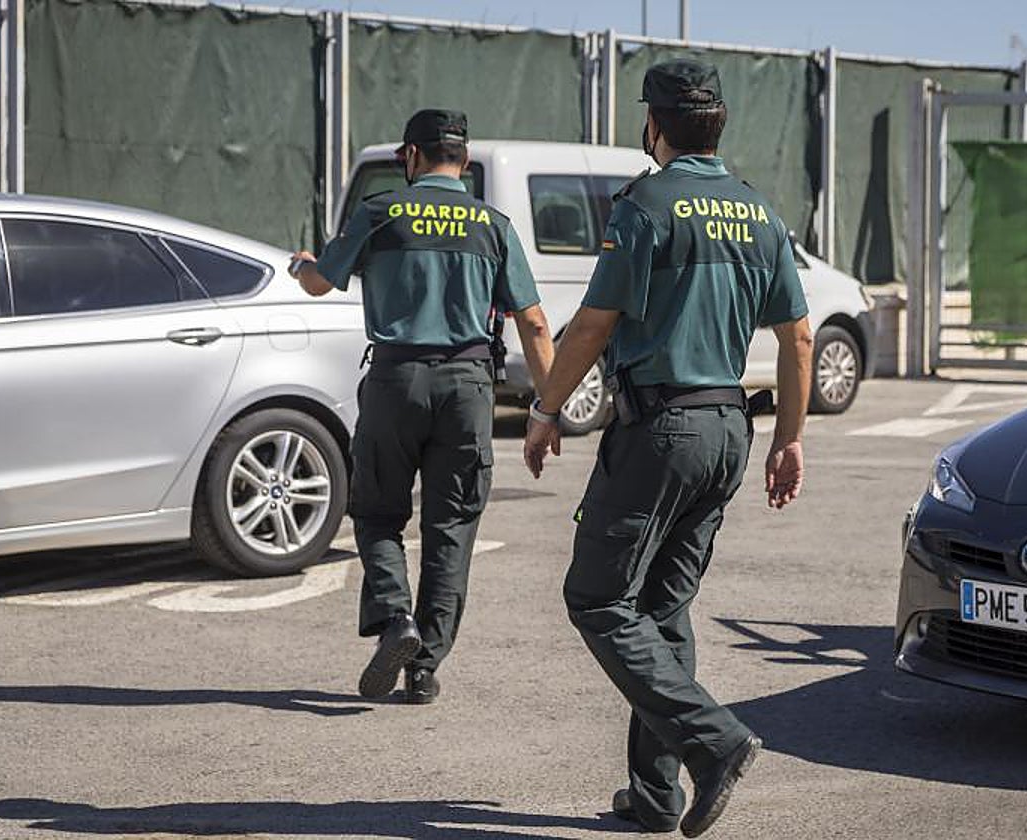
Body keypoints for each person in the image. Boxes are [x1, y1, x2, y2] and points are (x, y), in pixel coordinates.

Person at [523, 60, 813, 837]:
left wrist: (547, 408)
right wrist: (790, 439)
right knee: (663, 606)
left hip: (661, 429)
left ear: (655, 125)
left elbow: (593, 325)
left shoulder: (647, 204)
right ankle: (656, 798)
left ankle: (713, 742)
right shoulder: (758, 213)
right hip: (728, 431)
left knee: (597, 599)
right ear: (717, 124)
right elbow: (799, 337)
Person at [291, 109, 554, 705]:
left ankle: (395, 621)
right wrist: (548, 408)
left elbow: (320, 283)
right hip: (467, 386)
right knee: (452, 528)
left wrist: (302, 262)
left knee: (378, 513)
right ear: (463, 158)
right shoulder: (493, 225)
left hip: (394, 381)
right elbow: (534, 323)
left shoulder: (381, 212)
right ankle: (426, 666)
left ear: (410, 156)